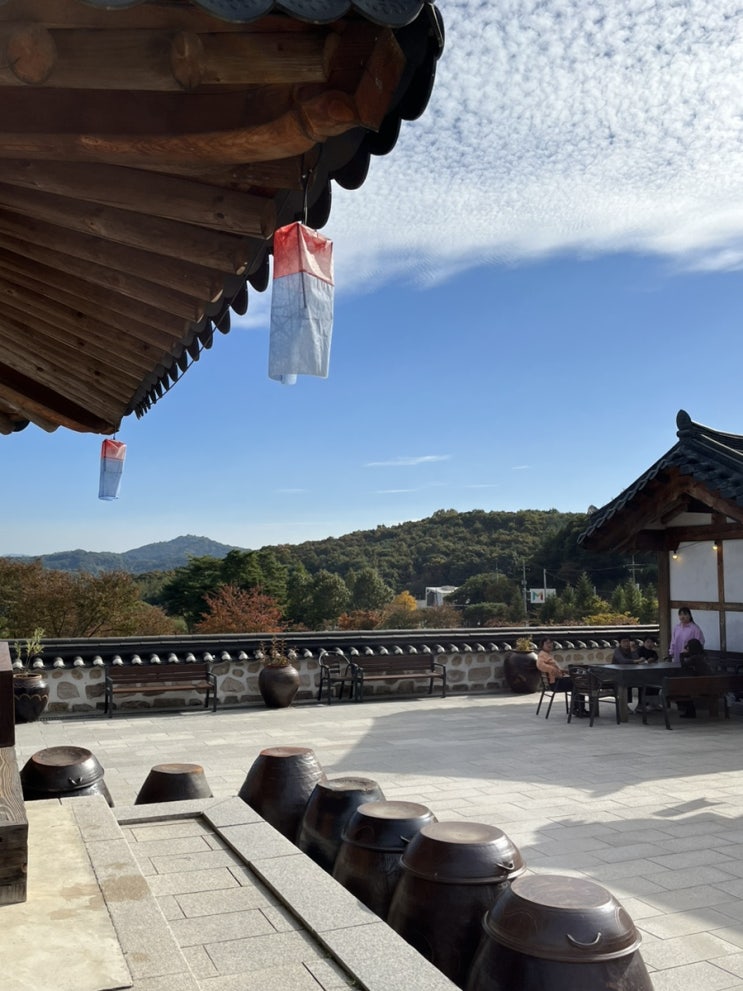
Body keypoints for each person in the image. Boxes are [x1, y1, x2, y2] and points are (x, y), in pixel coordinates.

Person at [536, 636, 586, 716]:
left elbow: (557, 669)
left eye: (551, 643)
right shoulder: (542, 655)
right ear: (542, 645)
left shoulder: (547, 655)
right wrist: (553, 670)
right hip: (555, 683)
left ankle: (577, 709)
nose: (550, 645)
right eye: (547, 643)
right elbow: (539, 664)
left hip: (557, 681)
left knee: (576, 681)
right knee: (578, 683)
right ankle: (579, 710)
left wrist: (565, 671)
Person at [678, 638, 711, 718]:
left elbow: (684, 665)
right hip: (710, 683)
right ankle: (689, 711)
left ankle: (690, 711)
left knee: (681, 689)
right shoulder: (703, 655)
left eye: (688, 647)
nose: (687, 648)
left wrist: (681, 655)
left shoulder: (695, 658)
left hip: (702, 685)